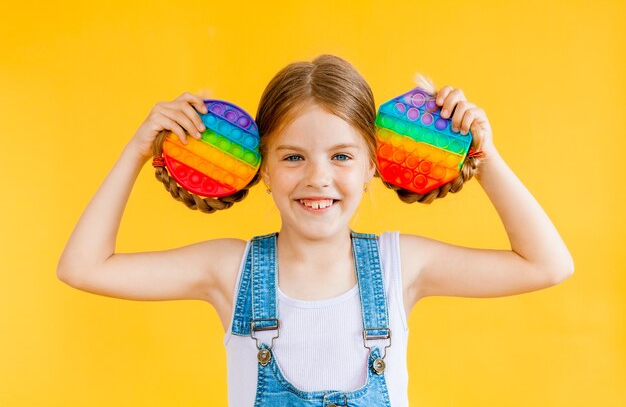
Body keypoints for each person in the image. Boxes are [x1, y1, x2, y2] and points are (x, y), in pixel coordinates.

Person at [57, 54, 574, 407]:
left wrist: (479, 154)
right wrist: (137, 150)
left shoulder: (402, 266)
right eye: (293, 156)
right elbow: (82, 267)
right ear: (260, 167)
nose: (317, 178)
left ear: (375, 163)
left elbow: (548, 264)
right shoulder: (227, 271)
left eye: (342, 156)